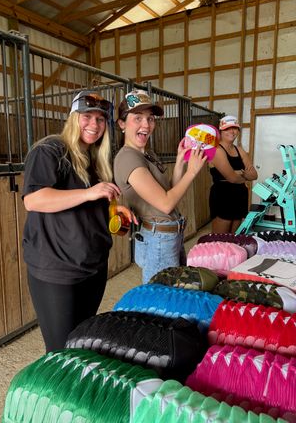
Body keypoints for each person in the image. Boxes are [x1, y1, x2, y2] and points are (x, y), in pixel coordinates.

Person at [22, 90, 136, 353]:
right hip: (57, 268)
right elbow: (35, 200)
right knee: (62, 350)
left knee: (83, 340)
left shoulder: (97, 158)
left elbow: (92, 204)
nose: (94, 125)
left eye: (100, 119)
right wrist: (89, 193)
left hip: (93, 265)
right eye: (87, 116)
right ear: (74, 117)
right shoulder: (50, 151)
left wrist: (116, 213)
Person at [114, 89, 207, 284]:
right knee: (161, 299)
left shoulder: (147, 153)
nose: (146, 124)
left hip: (171, 234)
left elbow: (169, 192)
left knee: (174, 294)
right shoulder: (127, 158)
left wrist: (180, 161)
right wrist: (192, 172)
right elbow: (165, 204)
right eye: (137, 118)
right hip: (159, 240)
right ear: (122, 124)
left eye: (150, 118)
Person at [209, 115, 258, 234]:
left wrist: (239, 174)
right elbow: (232, 178)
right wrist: (244, 174)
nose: (232, 131)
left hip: (240, 196)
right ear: (220, 131)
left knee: (234, 237)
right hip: (223, 196)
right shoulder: (216, 150)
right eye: (227, 128)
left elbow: (254, 175)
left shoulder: (239, 149)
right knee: (220, 240)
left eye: (235, 128)